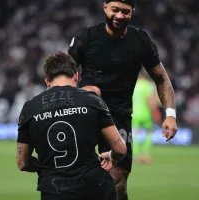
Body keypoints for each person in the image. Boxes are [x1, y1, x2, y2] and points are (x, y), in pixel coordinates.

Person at [68, 0, 178, 199]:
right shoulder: (86, 37)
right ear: (105, 8)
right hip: (84, 113)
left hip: (119, 115)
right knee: (76, 177)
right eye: (115, 10)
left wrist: (170, 115)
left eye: (125, 12)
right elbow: (65, 77)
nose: (119, 15)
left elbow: (161, 78)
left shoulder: (140, 41)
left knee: (118, 178)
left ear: (132, 12)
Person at [16, 51, 127, 200]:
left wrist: (43, 167)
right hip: (94, 187)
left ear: (47, 81)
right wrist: (111, 156)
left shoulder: (30, 108)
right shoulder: (92, 100)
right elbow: (120, 149)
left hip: (53, 190)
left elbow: (22, 163)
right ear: (76, 76)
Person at [132, 71, 161, 164]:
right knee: (149, 132)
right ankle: (145, 154)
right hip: (145, 113)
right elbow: (150, 100)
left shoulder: (133, 84)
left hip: (133, 113)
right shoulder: (148, 85)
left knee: (134, 134)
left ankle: (135, 155)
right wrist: (155, 112)